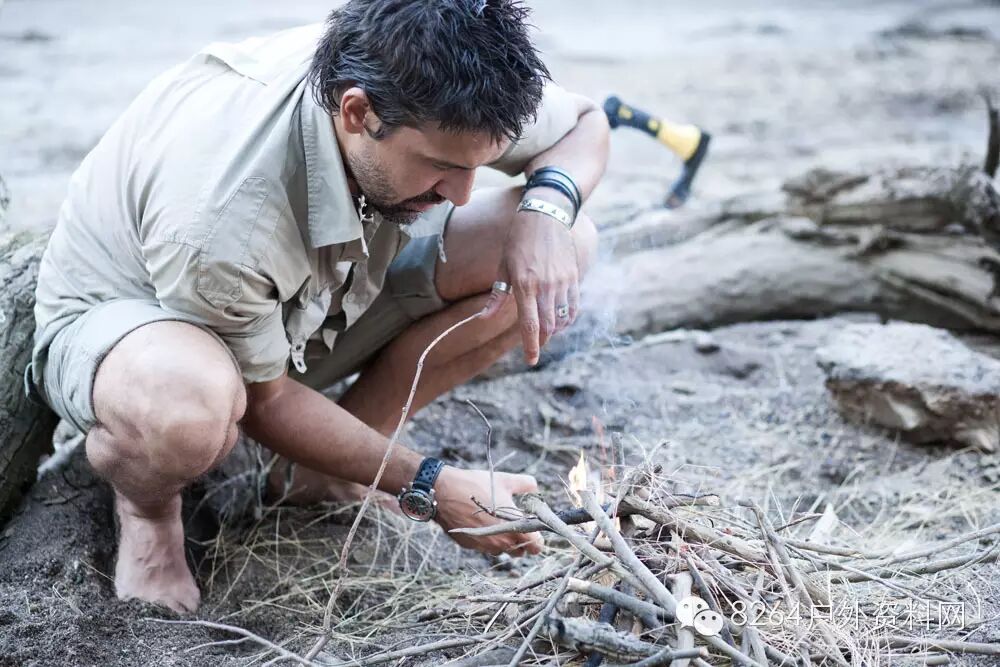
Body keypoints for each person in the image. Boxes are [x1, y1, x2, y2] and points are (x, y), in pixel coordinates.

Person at [27, 0, 608, 613]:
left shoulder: (444, 77)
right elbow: (268, 402)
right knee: (187, 410)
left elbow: (585, 123)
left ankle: (322, 470)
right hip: (140, 327)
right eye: (441, 167)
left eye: (479, 166)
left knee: (565, 244)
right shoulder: (223, 216)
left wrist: (546, 209)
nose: (463, 195)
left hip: (304, 295)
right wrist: (427, 484)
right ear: (357, 112)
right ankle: (149, 513)